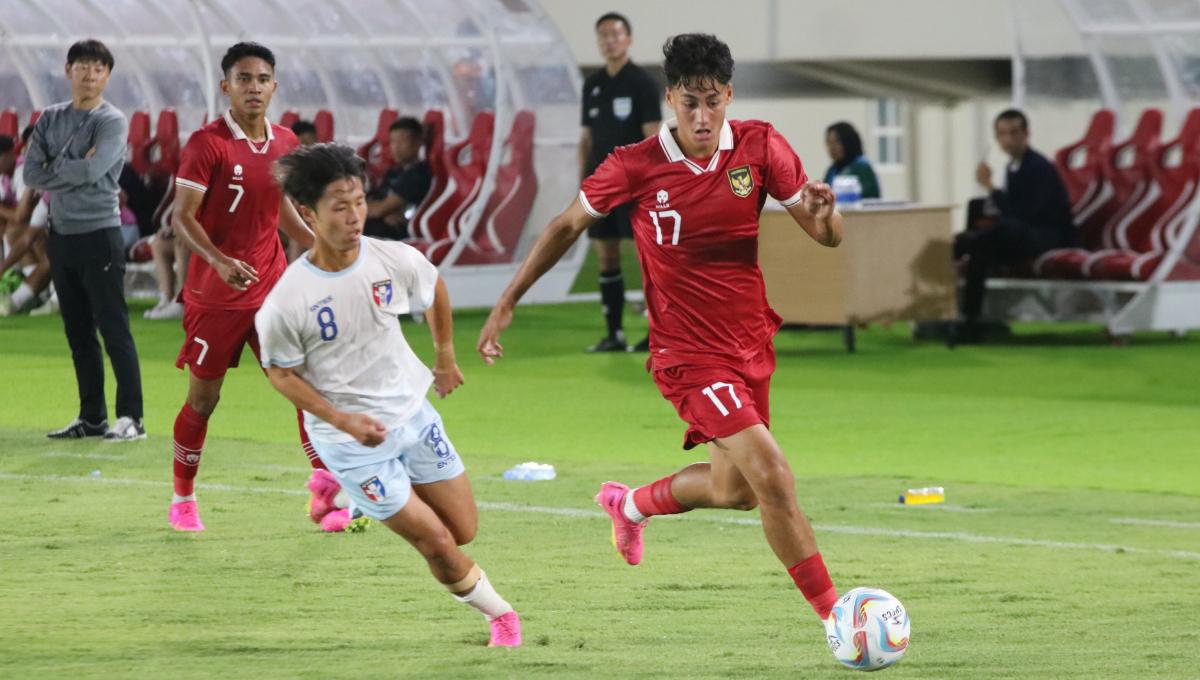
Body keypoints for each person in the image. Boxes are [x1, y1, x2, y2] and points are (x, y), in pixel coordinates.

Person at [478, 33, 844, 646]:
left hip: (750, 343)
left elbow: (828, 237)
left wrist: (826, 212)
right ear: (670, 98)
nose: (701, 117)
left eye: (712, 102)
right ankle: (839, 620)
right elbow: (567, 224)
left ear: (728, 95)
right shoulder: (634, 164)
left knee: (737, 493)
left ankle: (631, 505)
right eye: (688, 103)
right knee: (775, 475)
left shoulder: (759, 146)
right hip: (688, 357)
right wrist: (509, 299)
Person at [258, 143, 522, 647]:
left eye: (359, 201)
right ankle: (501, 616)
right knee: (438, 543)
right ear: (308, 213)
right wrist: (341, 420)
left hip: (413, 417)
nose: (355, 215)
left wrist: (445, 356)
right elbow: (281, 374)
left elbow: (434, 289)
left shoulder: (392, 258)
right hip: (354, 445)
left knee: (463, 528)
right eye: (340, 205)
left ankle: (339, 496)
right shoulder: (288, 300)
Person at [167, 42, 341, 533]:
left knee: (304, 389)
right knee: (204, 401)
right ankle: (183, 498)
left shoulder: (286, 142)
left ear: (274, 86)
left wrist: (314, 243)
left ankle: (325, 495)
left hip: (272, 290)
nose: (254, 87)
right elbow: (181, 216)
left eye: (262, 79)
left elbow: (278, 205)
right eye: (243, 79)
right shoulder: (207, 144)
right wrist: (219, 261)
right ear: (226, 86)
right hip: (215, 294)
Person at [23, 39, 145, 441]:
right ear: (68, 70)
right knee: (77, 332)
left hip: (100, 235)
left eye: (98, 68)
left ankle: (131, 418)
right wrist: (74, 162)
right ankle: (91, 417)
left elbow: (93, 173)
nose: (89, 75)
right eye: (82, 67)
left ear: (107, 76)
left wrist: (58, 164)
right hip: (61, 236)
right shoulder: (50, 118)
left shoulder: (112, 121)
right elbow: (31, 175)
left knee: (113, 328)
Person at [578, 12, 662, 353]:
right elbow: (586, 138)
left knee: (648, 257)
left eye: (615, 34)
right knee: (606, 255)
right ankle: (614, 333)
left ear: (628, 39)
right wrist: (582, 182)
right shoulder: (593, 84)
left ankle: (658, 334)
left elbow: (653, 136)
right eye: (603, 35)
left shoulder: (641, 82)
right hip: (600, 186)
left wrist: (654, 185)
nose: (609, 40)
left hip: (636, 186)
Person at [957, 109, 1073, 341]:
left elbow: (1024, 215)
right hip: (1023, 234)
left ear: (1026, 134)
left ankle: (969, 319)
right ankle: (969, 318)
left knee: (981, 240)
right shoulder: (1013, 168)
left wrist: (990, 187)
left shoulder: (1039, 167)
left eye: (1013, 132)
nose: (1008, 139)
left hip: (1045, 237)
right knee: (975, 248)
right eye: (1002, 134)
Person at [364, 117, 431, 241]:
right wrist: (380, 210)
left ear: (417, 143)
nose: (396, 147)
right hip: (380, 223)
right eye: (393, 142)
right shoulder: (395, 171)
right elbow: (374, 201)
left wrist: (379, 210)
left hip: (397, 232)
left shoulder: (417, 175)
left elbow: (379, 210)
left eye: (402, 141)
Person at [823, 121, 880, 199]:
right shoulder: (832, 171)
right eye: (829, 143)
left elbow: (870, 197)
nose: (832, 148)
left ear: (848, 141)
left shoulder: (862, 167)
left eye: (836, 142)